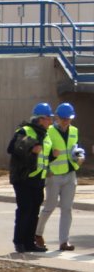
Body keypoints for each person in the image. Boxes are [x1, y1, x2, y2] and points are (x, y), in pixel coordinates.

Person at [37, 102, 84, 251]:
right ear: (57, 117)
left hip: (70, 174)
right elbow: (43, 152)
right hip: (54, 175)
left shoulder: (74, 131)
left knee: (67, 208)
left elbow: (76, 147)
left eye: (68, 119)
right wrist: (47, 169)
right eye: (63, 118)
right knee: (49, 206)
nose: (66, 121)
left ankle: (64, 241)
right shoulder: (49, 131)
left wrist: (80, 156)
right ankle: (37, 233)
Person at [7, 102, 51, 253]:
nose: (50, 121)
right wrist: (31, 148)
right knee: (25, 210)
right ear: (40, 119)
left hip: (39, 178)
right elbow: (12, 148)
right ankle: (19, 242)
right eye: (47, 118)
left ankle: (29, 242)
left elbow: (46, 155)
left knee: (34, 212)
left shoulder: (46, 134)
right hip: (24, 178)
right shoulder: (25, 130)